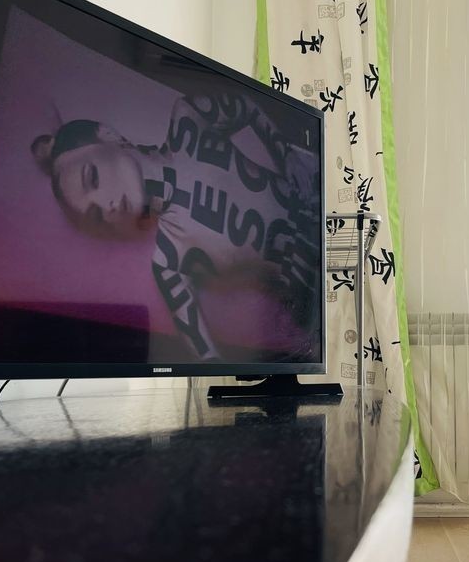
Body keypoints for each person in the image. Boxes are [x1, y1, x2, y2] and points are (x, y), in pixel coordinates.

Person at [31, 93, 321, 362]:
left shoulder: (188, 119)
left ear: (108, 135)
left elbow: (248, 107)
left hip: (321, 202)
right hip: (317, 298)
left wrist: (286, 155)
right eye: (95, 214)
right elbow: (208, 360)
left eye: (92, 177)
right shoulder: (169, 263)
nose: (107, 207)